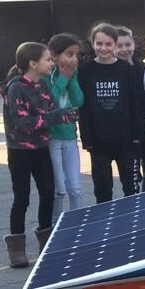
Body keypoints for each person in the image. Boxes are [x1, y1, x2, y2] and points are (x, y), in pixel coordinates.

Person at [0, 42, 79, 267]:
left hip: (41, 148)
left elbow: (49, 111)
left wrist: (64, 115)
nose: (51, 63)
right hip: (21, 151)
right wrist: (56, 117)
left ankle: (46, 240)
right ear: (33, 63)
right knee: (22, 196)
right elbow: (23, 123)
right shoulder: (16, 88)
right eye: (47, 60)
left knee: (47, 192)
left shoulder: (42, 85)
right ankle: (16, 247)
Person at [78, 23, 145, 203]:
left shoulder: (126, 70)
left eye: (108, 44)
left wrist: (138, 133)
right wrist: (87, 138)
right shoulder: (85, 70)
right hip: (99, 141)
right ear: (92, 44)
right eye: (99, 44)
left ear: (115, 44)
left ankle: (132, 223)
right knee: (102, 189)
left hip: (127, 139)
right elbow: (83, 107)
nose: (104, 48)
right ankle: (104, 226)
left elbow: (136, 103)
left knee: (131, 188)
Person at [116, 26, 145, 192]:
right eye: (119, 46)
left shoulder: (142, 68)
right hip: (126, 132)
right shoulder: (112, 71)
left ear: (133, 44)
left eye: (128, 44)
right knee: (132, 177)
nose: (124, 49)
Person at [46, 33, 84, 223]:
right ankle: (54, 225)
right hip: (52, 138)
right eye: (69, 54)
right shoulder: (47, 76)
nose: (74, 59)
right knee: (59, 189)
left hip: (69, 137)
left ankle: (78, 223)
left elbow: (78, 101)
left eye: (76, 55)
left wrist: (72, 79)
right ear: (53, 55)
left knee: (75, 187)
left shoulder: (71, 75)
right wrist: (62, 78)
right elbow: (49, 101)